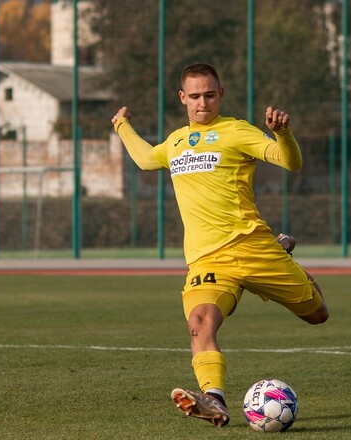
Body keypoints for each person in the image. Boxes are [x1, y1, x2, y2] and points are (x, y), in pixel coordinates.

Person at [111, 62, 328, 428]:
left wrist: (284, 134)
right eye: (194, 96)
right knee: (200, 323)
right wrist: (122, 125)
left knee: (317, 314)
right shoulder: (176, 142)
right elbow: (148, 160)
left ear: (221, 94)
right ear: (183, 98)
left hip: (255, 248)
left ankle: (286, 257)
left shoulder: (236, 131)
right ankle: (213, 398)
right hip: (208, 259)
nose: (202, 103)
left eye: (209, 95)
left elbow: (289, 162)